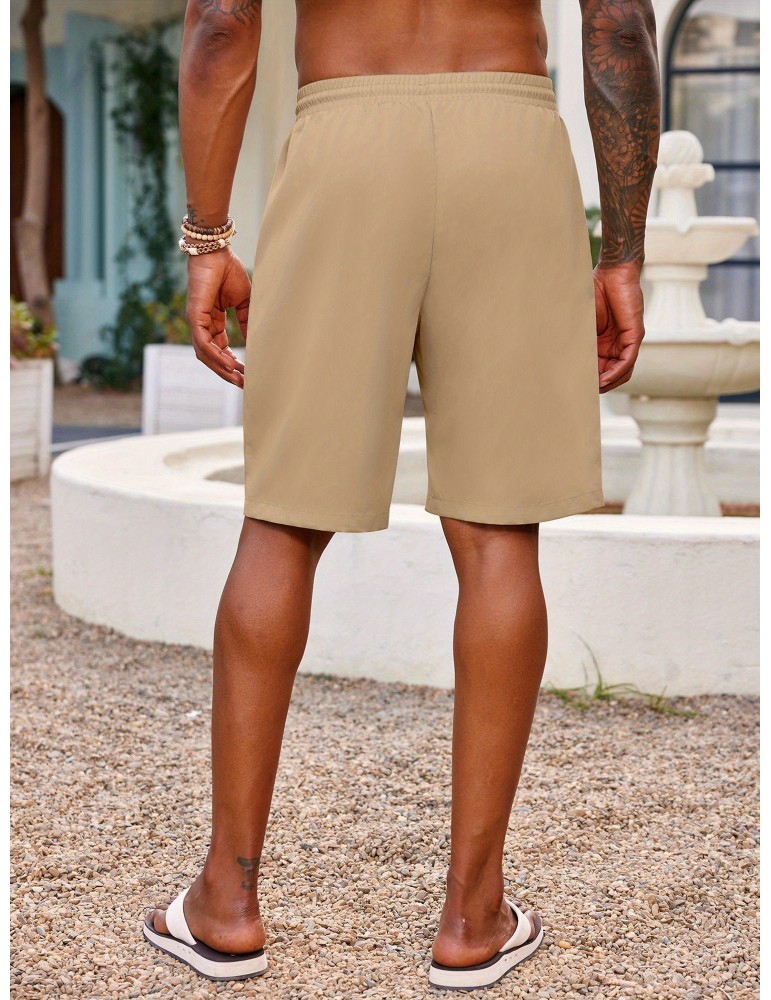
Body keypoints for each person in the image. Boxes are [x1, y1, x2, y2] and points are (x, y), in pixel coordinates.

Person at [143, 0, 660, 989]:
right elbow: (620, 27)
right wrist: (623, 251)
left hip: (344, 140)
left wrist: (206, 238)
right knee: (499, 532)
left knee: (282, 521)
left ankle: (227, 900)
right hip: (509, 141)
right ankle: (473, 915)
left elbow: (220, 22)